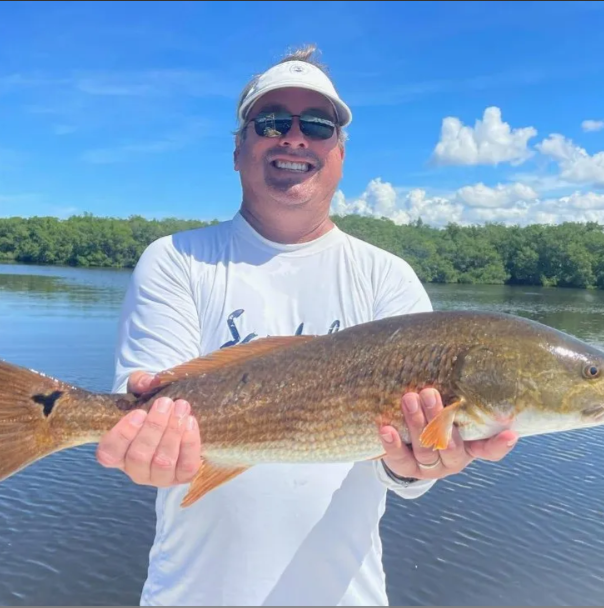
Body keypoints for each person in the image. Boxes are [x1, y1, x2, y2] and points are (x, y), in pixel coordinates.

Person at [96, 44, 518, 606]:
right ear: (239, 150)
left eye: (317, 125)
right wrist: (148, 453)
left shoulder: (387, 278)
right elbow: (148, 401)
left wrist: (418, 465)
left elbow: (405, 476)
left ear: (340, 154)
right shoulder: (176, 260)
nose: (294, 138)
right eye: (272, 122)